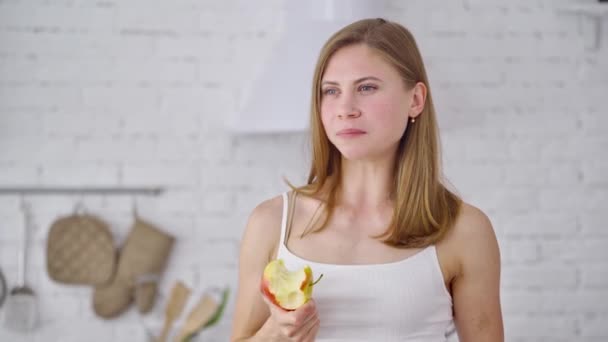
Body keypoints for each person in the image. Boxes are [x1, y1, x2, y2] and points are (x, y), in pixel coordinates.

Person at [230, 18, 504, 342]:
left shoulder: (464, 231)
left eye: (366, 87)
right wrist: (276, 333)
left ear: (415, 100)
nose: (345, 108)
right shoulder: (271, 223)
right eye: (331, 91)